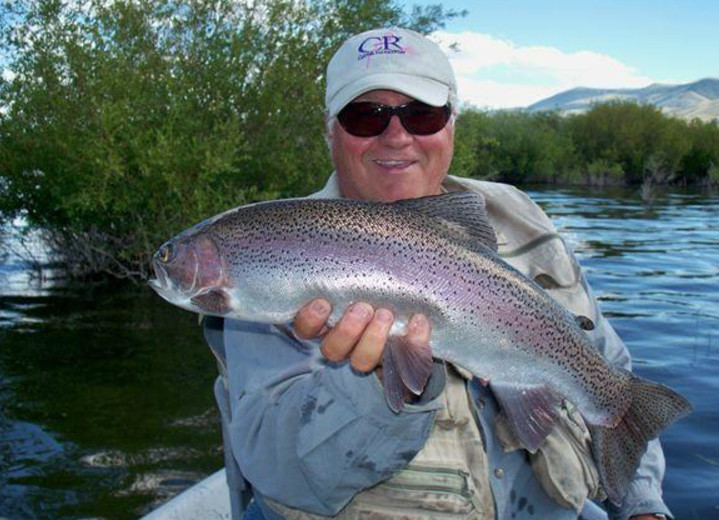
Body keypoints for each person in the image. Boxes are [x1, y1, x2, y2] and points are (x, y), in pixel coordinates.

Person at [203, 27, 672, 520]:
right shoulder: (274, 256)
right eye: (366, 116)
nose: (397, 135)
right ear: (330, 129)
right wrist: (373, 385)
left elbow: (606, 366)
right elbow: (280, 475)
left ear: (452, 124)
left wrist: (642, 507)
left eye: (422, 114)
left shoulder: (519, 216)